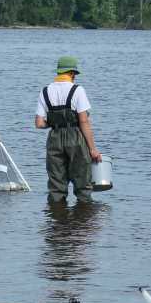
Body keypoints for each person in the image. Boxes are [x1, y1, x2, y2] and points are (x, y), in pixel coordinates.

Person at [34, 54, 104, 200]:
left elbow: (39, 124)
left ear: (59, 72)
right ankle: (83, 219)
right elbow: (84, 121)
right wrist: (92, 149)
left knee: (56, 185)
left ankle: (56, 219)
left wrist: (54, 123)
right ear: (72, 73)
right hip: (75, 138)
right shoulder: (78, 90)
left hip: (54, 138)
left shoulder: (45, 91)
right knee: (83, 183)